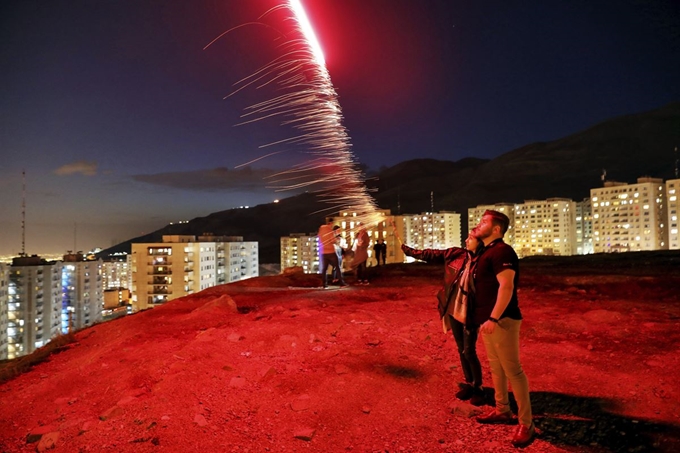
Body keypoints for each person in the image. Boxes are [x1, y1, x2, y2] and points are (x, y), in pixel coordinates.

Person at [393, 222, 485, 406]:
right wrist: (410, 251)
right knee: (461, 349)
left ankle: (479, 388)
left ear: (480, 242)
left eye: (471, 238)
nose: (466, 240)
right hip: (453, 309)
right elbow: (432, 255)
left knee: (469, 350)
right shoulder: (457, 254)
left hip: (469, 313)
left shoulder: (483, 262)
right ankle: (469, 383)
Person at [473, 210, 534, 448]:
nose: (479, 224)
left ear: (497, 229)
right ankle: (502, 410)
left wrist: (494, 318)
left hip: (502, 320)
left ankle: (527, 423)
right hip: (489, 322)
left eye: (484, 222)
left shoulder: (502, 251)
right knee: (496, 369)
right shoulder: (487, 251)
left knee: (513, 371)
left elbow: (506, 287)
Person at [318, 219, 341, 288]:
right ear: (331, 223)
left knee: (324, 269)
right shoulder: (329, 230)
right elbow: (333, 240)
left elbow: (320, 239)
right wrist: (336, 240)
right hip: (331, 252)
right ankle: (341, 282)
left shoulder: (321, 230)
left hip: (323, 252)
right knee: (337, 266)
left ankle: (324, 284)